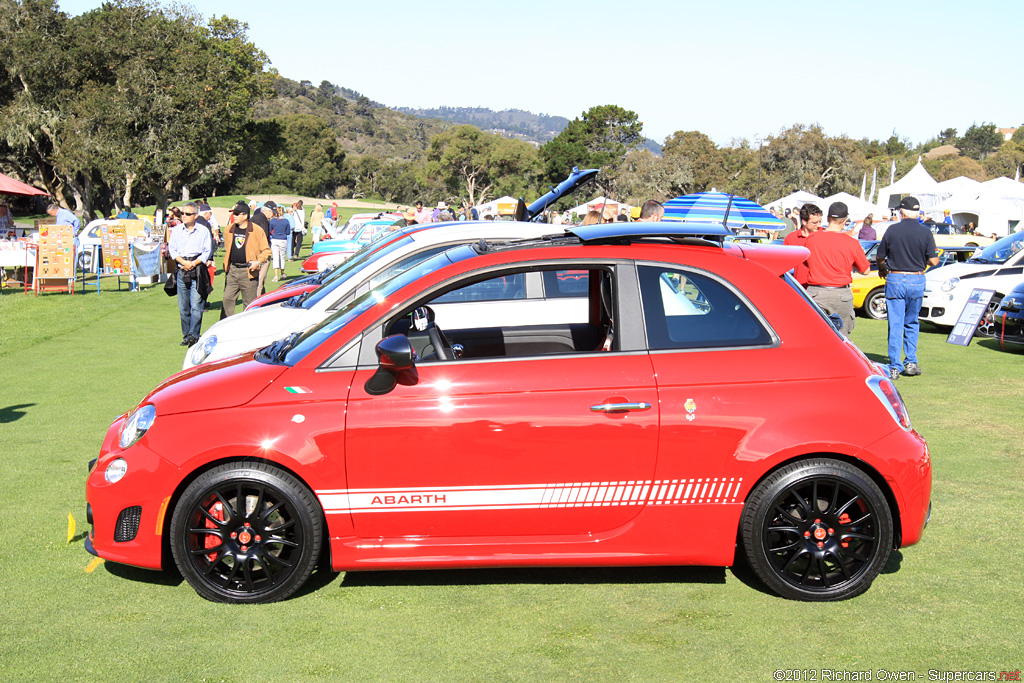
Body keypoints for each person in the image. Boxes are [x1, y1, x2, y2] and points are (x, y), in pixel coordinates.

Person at [876, 196, 939, 380]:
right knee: (911, 322)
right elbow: (934, 260)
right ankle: (910, 361)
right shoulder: (925, 232)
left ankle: (894, 365)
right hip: (916, 278)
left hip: (895, 277)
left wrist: (882, 269)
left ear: (902, 212)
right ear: (917, 213)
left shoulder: (892, 229)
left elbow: (880, 256)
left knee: (895, 323)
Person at [804, 202, 870, 334]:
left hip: (816, 292)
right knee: (842, 338)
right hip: (840, 294)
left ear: (827, 218)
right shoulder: (851, 243)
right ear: (845, 221)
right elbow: (865, 270)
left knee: (814, 335)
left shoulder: (812, 239)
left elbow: (806, 261)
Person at [167, 202, 212, 346]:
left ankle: (194, 335)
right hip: (181, 269)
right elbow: (172, 250)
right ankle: (186, 335)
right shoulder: (177, 230)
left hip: (197, 268)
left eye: (187, 214)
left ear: (195, 215)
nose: (184, 216)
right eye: (182, 213)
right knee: (183, 306)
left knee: (196, 304)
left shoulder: (203, 231)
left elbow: (207, 251)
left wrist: (194, 263)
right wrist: (183, 262)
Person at [221, 202, 271, 318]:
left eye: (237, 214)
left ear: (245, 216)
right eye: (233, 213)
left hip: (248, 271)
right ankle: (225, 328)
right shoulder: (229, 229)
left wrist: (257, 262)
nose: (234, 216)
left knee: (249, 305)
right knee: (227, 300)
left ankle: (248, 330)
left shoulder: (257, 230)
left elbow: (266, 251)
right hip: (232, 270)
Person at [783, 203, 823, 286]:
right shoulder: (791, 238)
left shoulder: (824, 235)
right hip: (799, 288)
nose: (818, 225)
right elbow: (784, 265)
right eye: (814, 223)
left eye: (820, 221)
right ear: (804, 221)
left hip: (820, 289)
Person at [269, 206, 290, 282]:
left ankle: (276, 275)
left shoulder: (272, 221)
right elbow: (288, 232)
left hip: (274, 239)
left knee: (275, 257)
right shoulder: (286, 221)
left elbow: (270, 231)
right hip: (283, 240)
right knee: (282, 257)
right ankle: (282, 273)